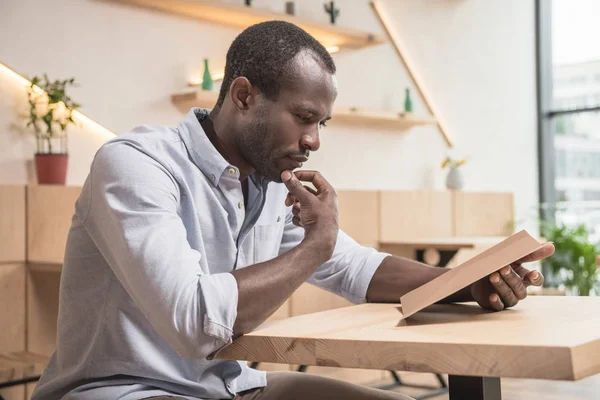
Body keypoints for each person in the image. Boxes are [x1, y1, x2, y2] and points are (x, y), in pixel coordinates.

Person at [31, 20, 554, 400]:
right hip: (122, 390)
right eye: (305, 117)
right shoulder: (135, 166)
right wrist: (315, 245)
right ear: (242, 95)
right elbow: (193, 321)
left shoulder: (263, 182)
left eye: (322, 122)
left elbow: (353, 267)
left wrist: (464, 284)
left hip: (230, 386)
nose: (315, 140)